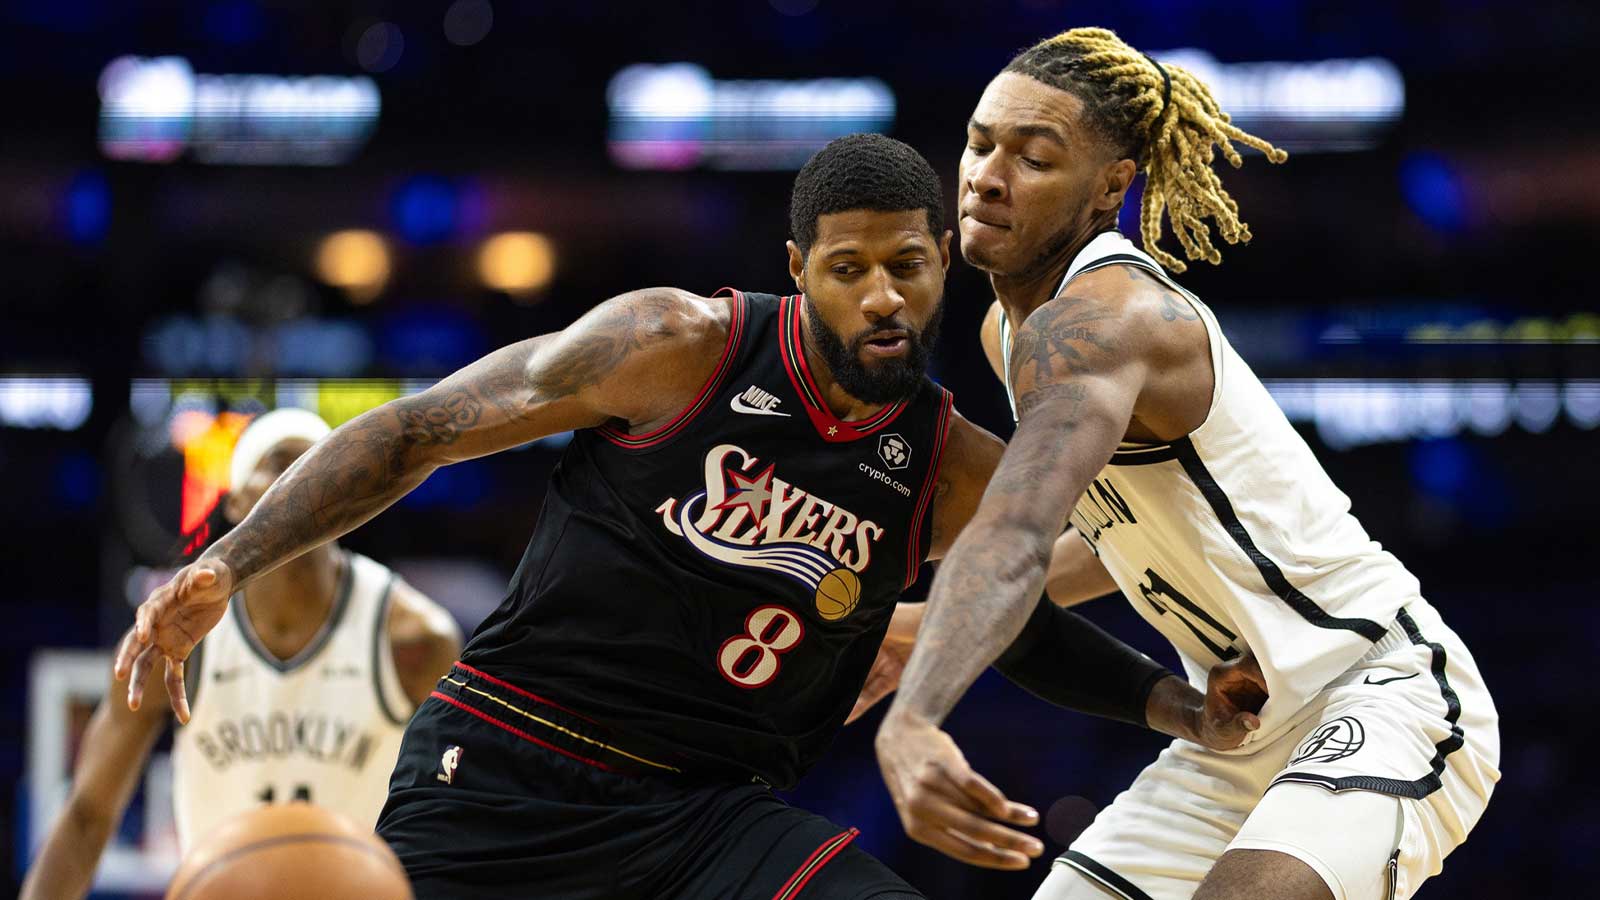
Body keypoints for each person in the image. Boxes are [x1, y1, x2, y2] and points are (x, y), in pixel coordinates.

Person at [111, 134, 1255, 899]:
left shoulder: (950, 464)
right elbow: (416, 431)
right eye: (848, 266)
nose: (882, 294)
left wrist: (1171, 702)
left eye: (906, 264)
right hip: (507, 772)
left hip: (707, 819)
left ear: (941, 263)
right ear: (799, 269)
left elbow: (1008, 607)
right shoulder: (675, 346)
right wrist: (229, 560)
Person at [873, 27, 1501, 900]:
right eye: (981, 143)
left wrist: (915, 718)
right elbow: (1120, 539)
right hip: (1238, 727)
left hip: (1379, 687)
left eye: (1034, 158)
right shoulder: (1006, 329)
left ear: (1110, 186)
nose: (985, 174)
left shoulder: (1108, 320)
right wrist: (930, 625)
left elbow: (1015, 531)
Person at [22, 408, 460, 900]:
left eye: (319, 469)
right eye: (280, 466)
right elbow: (87, 815)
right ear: (234, 503)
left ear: (349, 499)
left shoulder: (414, 637)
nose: (301, 485)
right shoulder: (181, 635)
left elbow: (463, 821)